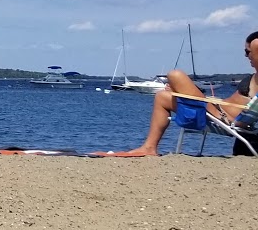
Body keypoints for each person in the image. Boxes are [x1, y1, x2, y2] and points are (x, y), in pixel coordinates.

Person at [99, 29, 258, 157]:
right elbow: (237, 103)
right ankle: (149, 147)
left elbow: (240, 114)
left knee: (175, 75)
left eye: (248, 51)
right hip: (219, 109)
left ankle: (149, 146)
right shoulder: (253, 77)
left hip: (223, 118)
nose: (246, 56)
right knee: (162, 97)